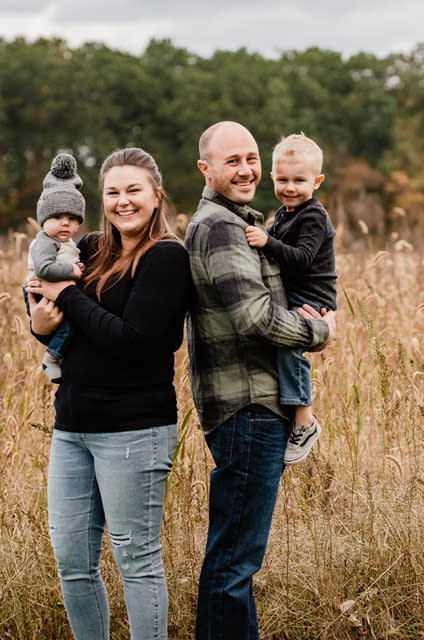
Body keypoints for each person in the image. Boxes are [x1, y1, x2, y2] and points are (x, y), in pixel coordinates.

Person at [27, 147, 192, 640]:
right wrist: (38, 322)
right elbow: (54, 315)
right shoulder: (91, 247)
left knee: (135, 560)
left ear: (156, 195)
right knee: (73, 560)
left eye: (134, 190)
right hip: (72, 425)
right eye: (113, 192)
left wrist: (67, 296)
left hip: (134, 430)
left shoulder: (167, 257)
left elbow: (131, 340)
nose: (123, 201)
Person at [185, 121, 336, 640]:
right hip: (248, 407)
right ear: (206, 169)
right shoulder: (221, 227)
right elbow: (255, 318)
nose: (247, 169)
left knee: (234, 560)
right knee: (234, 563)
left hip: (255, 406)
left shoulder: (244, 221)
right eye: (234, 161)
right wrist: (319, 331)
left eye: (252, 158)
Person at [245, 133, 337, 465]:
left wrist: (265, 241)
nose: (290, 187)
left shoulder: (313, 215)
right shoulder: (285, 213)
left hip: (312, 294)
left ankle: (304, 419)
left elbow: (300, 257)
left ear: (317, 181)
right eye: (283, 179)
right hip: (294, 291)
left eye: (300, 180)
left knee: (288, 341)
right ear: (272, 177)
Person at [27, 153, 85, 383]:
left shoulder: (66, 242)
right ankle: (51, 357)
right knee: (69, 326)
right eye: (58, 216)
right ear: (43, 219)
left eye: (72, 218)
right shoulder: (45, 241)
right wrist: (72, 272)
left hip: (56, 292)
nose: (65, 223)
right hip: (41, 293)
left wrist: (75, 266)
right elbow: (44, 269)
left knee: (71, 325)